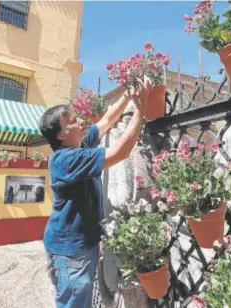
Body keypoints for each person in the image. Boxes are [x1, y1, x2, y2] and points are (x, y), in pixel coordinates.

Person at [38, 78, 151, 308]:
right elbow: (120, 152)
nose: (80, 120)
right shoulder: (65, 160)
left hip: (80, 246)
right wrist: (141, 109)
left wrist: (128, 95)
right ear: (60, 135)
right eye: (72, 121)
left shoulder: (79, 145)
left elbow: (108, 121)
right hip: (70, 252)